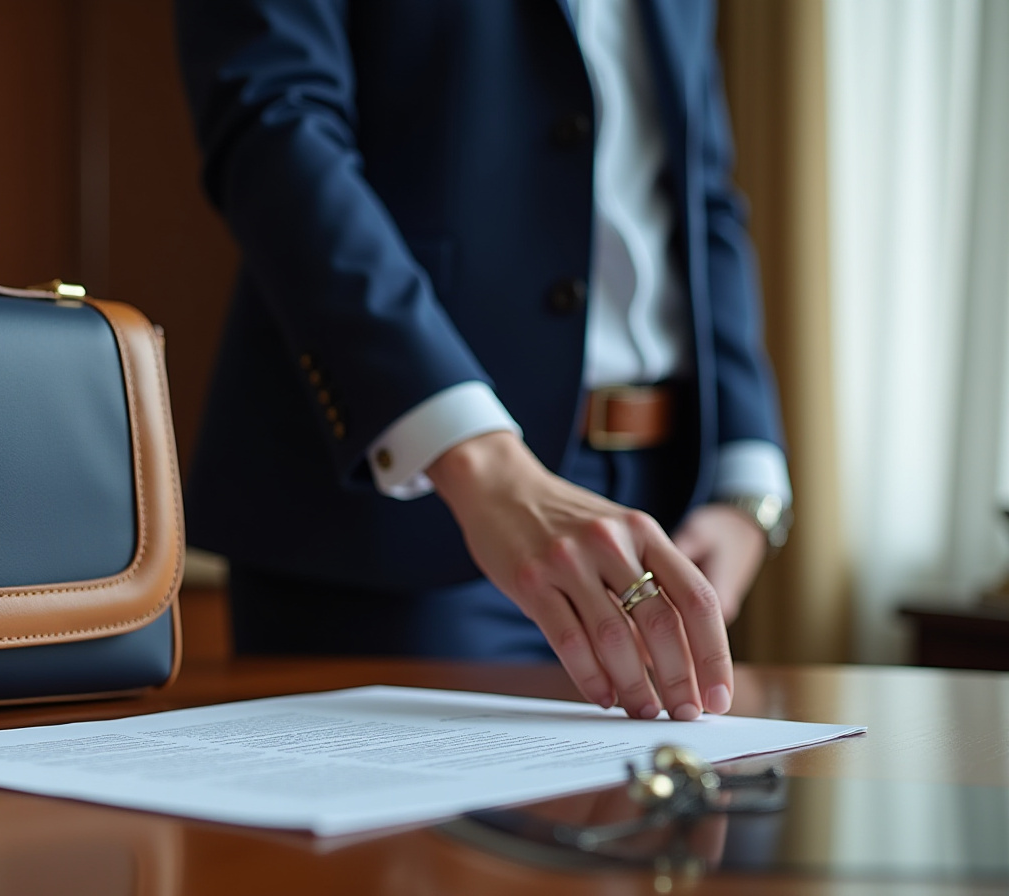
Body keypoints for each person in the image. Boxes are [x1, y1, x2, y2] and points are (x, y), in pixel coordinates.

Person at [174, 0, 794, 722]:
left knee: (654, 825)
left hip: (666, 503)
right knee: (417, 833)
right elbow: (274, 127)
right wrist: (476, 457)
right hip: (406, 518)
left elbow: (700, 186)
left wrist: (748, 482)